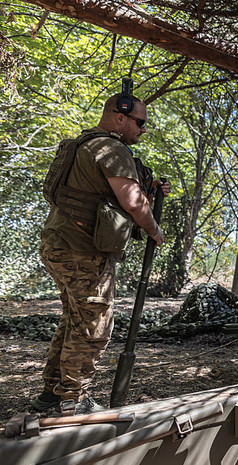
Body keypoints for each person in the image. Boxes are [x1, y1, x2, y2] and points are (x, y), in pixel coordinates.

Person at [31, 91, 171, 415]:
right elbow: (133, 203)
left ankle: (52, 394)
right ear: (119, 117)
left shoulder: (86, 144)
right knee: (94, 325)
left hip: (58, 245)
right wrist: (154, 230)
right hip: (82, 251)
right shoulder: (111, 147)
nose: (143, 129)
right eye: (140, 122)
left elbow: (118, 193)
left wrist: (151, 188)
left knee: (74, 319)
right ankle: (73, 400)